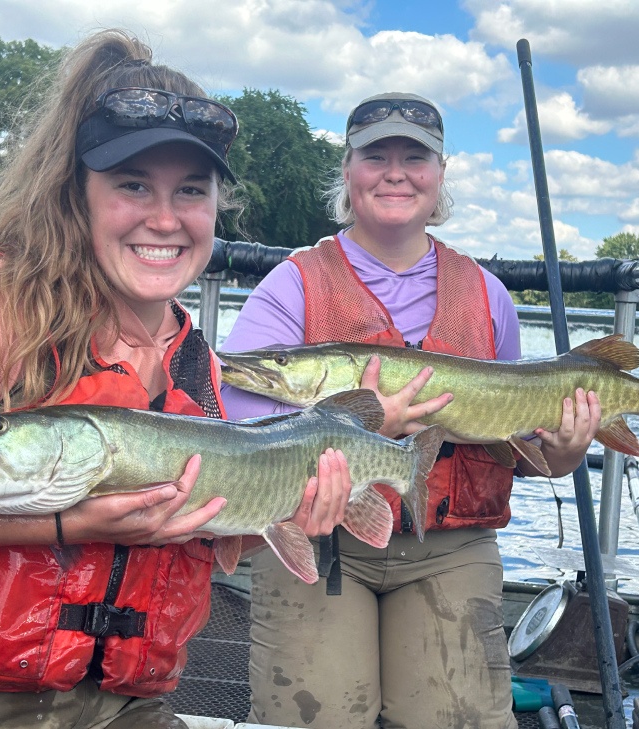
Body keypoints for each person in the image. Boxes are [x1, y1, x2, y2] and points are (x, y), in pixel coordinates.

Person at [0, 29, 351, 729]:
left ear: (219, 207)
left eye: (190, 190)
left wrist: (281, 507)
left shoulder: (198, 363)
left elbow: (205, 548)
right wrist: (60, 520)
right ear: (77, 194)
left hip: (112, 704)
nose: (164, 217)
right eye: (132, 185)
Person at [220, 92, 602, 729]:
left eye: (414, 156)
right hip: (320, 540)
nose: (395, 172)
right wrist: (370, 430)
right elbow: (241, 433)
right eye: (376, 155)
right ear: (347, 169)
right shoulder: (291, 284)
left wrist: (563, 454)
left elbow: (517, 444)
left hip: (452, 544)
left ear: (440, 174)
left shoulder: (488, 295)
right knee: (317, 717)